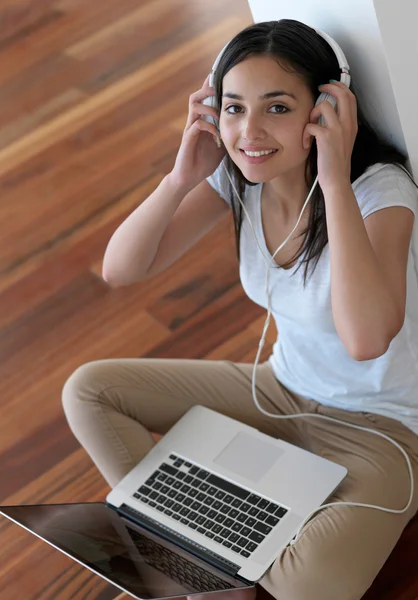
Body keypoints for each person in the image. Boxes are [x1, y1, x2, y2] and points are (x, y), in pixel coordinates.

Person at [62, 19, 418, 600]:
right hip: (280, 393)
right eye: (233, 108)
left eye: (277, 108)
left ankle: (224, 550)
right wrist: (181, 177)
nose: (249, 131)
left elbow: (366, 339)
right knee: (89, 391)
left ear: (325, 110)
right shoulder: (241, 177)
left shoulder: (379, 191)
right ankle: (200, 546)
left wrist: (333, 180)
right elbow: (120, 269)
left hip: (385, 430)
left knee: (311, 587)